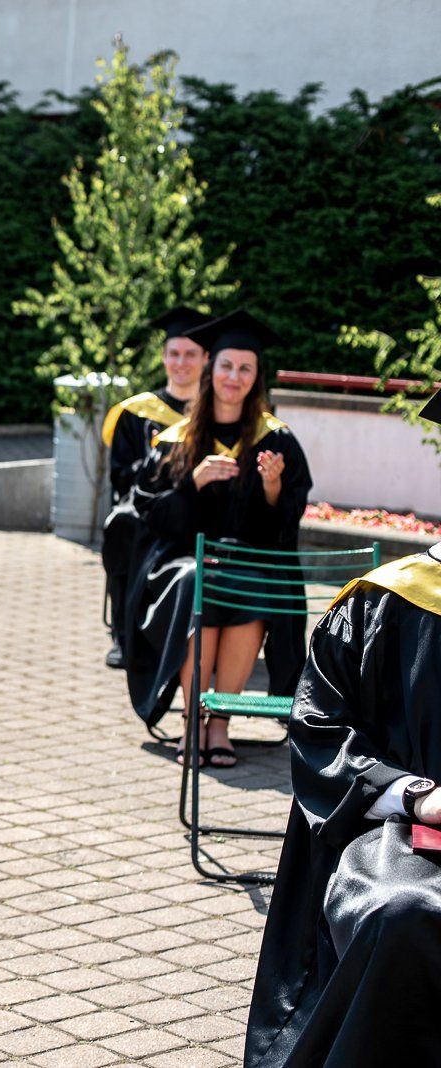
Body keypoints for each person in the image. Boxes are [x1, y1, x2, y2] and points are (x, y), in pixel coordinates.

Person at [246, 396, 441, 1066]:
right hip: (407, 841)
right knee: (404, 913)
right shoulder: (383, 604)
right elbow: (319, 732)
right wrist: (417, 796)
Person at [122, 310, 312, 766]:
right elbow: (151, 513)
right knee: (196, 582)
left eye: (245, 368)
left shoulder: (277, 440)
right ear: (211, 370)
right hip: (184, 559)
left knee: (253, 584)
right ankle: (193, 721)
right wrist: (194, 483)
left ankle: (219, 724)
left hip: (249, 559)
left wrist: (272, 487)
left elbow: (285, 523)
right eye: (226, 366)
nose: (234, 377)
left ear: (256, 377)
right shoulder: (176, 440)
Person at [99, 306, 210, 669]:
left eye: (190, 354)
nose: (181, 363)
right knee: (122, 525)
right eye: (174, 354)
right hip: (147, 510)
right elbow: (120, 477)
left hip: (199, 510)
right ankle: (124, 635)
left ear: (205, 359)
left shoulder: (216, 415)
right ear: (163, 358)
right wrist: (158, 466)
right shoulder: (136, 413)